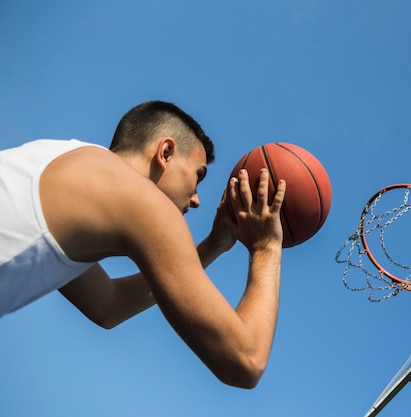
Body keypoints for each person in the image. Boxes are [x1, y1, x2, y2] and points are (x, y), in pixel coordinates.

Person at [0, 100, 286, 389]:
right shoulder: (142, 199)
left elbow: (108, 305)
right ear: (166, 152)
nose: (197, 199)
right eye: (197, 176)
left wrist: (212, 245)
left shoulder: (62, 156)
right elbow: (245, 362)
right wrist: (267, 247)